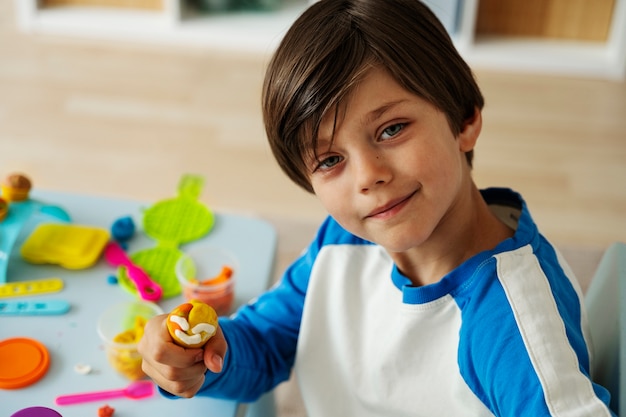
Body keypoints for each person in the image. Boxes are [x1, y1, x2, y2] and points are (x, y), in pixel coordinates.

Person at [138, 1, 616, 415]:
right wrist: (202, 357)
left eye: (392, 129)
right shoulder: (341, 241)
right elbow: (264, 344)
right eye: (330, 160)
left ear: (464, 120)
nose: (368, 177)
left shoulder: (513, 323)